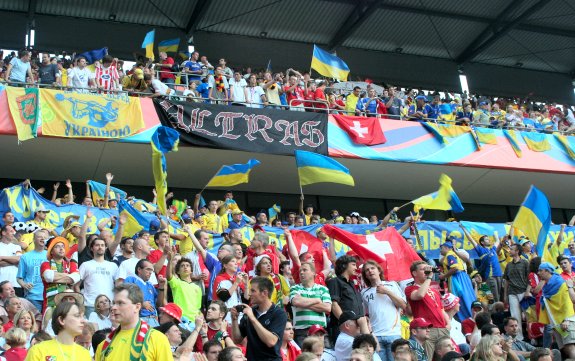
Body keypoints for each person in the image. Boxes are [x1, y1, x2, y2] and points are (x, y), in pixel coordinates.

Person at [94, 283, 172, 360]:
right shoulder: (103, 346)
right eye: (114, 303)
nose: (113, 307)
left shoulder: (157, 339)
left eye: (120, 303)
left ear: (137, 307)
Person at [231, 276, 288, 361]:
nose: (249, 294)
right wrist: (234, 320)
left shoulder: (279, 313)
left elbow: (271, 342)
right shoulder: (250, 311)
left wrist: (253, 318)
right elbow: (237, 340)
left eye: (253, 291)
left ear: (264, 293)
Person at [361, 260, 406, 361]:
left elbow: (403, 305)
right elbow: (365, 314)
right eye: (367, 270)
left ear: (379, 271)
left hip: (393, 334)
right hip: (376, 336)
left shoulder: (392, 285)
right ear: (366, 276)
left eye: (372, 268)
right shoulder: (364, 292)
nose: (370, 271)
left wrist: (387, 292)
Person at [406, 261, 450, 360]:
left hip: (443, 329)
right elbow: (420, 295)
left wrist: (448, 324)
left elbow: (441, 309)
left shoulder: (434, 291)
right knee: (426, 359)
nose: (427, 271)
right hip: (427, 330)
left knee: (447, 358)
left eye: (428, 269)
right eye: (423, 269)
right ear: (414, 273)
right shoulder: (410, 288)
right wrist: (429, 277)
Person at [26, 301, 91, 361]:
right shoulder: (38, 350)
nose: (83, 321)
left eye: (83, 316)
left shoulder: (85, 354)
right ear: (62, 320)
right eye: (77, 316)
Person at [289, 262, 332, 346]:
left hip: (320, 331)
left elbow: (327, 308)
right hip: (301, 332)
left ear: (313, 273)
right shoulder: (295, 288)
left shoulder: (323, 289)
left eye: (304, 270)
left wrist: (303, 302)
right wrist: (317, 300)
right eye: (300, 271)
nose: (301, 272)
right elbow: (296, 302)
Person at [460, 225, 502, 302]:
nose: (489, 240)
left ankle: (498, 312)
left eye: (488, 239)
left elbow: (497, 241)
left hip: (499, 275)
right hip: (490, 276)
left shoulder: (493, 249)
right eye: (486, 239)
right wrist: (463, 228)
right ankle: (494, 313)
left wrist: (495, 231)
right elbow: (471, 239)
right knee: (494, 298)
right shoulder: (481, 250)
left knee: (500, 295)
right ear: (482, 242)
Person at [79, 237, 118, 316]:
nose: (100, 247)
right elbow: (76, 285)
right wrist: (81, 301)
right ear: (91, 248)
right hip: (91, 305)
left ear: (105, 248)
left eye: (102, 245)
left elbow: (118, 285)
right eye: (97, 245)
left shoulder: (113, 266)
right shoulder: (85, 265)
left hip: (109, 305)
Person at [123, 259, 167, 327]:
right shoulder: (131, 280)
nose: (150, 272)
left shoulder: (150, 285)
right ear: (139, 270)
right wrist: (141, 304)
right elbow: (124, 298)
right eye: (148, 269)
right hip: (140, 320)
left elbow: (159, 304)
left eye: (151, 271)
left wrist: (161, 287)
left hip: (154, 320)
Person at [40, 237, 80, 311]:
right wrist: (68, 276)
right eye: (57, 246)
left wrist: (54, 278)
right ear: (51, 251)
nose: (61, 249)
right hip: (50, 304)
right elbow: (49, 277)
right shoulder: (45, 264)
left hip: (68, 305)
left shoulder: (72, 264)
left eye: (62, 246)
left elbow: (75, 278)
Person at [438, 240, 475, 321]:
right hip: (462, 277)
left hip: (458, 278)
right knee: (467, 297)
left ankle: (466, 318)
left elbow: (455, 268)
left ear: (447, 248)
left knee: (461, 298)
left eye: (442, 248)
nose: (440, 250)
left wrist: (444, 276)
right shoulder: (451, 254)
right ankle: (471, 317)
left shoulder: (450, 255)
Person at [166, 250, 203, 321]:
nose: (185, 267)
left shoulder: (197, 288)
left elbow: (198, 307)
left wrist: (201, 316)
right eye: (182, 266)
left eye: (187, 266)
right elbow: (168, 275)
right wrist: (170, 261)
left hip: (195, 321)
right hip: (181, 320)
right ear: (178, 271)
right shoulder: (176, 283)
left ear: (191, 270)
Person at [503, 243, 530, 342]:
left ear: (517, 251)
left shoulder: (525, 262)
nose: (510, 251)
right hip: (512, 292)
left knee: (528, 315)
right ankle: (519, 338)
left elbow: (529, 278)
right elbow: (506, 280)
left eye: (512, 249)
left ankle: (532, 336)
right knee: (515, 315)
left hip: (523, 291)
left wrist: (528, 290)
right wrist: (505, 295)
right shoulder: (508, 265)